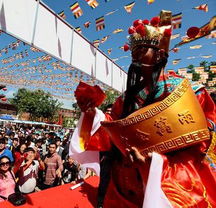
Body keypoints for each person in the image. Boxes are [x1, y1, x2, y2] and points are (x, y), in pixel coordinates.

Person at [71, 10, 216, 208]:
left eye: (142, 50)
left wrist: (156, 162)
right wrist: (91, 113)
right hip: (127, 179)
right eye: (134, 52)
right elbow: (110, 128)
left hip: (171, 174)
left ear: (159, 53)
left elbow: (204, 136)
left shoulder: (185, 91)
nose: (136, 57)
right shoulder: (126, 98)